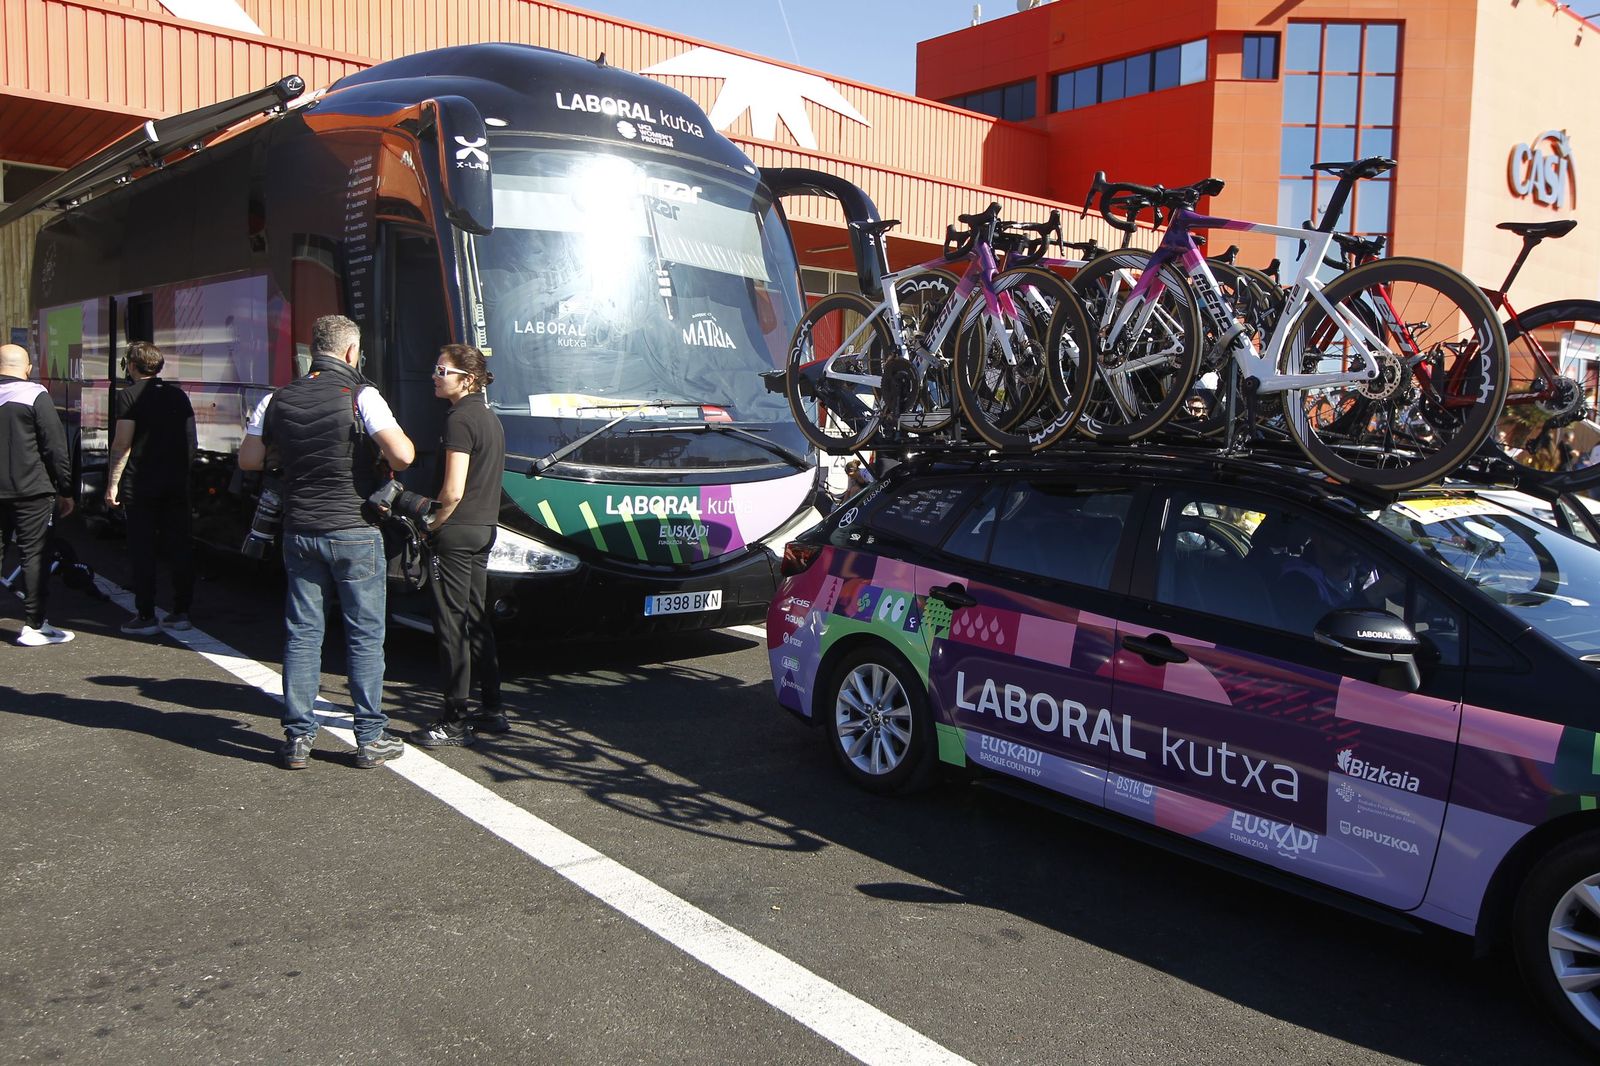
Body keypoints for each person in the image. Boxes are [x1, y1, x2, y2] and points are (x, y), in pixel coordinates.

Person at [238, 315, 416, 770]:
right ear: (351, 351)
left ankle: (298, 737)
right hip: (354, 530)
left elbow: (250, 460)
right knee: (364, 635)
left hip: (300, 530)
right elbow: (403, 455)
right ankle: (370, 738)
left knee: (303, 633)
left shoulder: (276, 399)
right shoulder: (361, 396)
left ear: (313, 351)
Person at [412, 344, 507, 748]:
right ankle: (493, 709)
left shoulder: (459, 420)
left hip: (456, 532)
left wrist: (431, 525)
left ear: (467, 379)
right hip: (484, 528)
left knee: (451, 625)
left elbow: (452, 491)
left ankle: (454, 720)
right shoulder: (489, 418)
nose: (435, 377)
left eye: (442, 371)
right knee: (477, 617)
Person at [105, 341, 197, 636]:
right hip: (176, 483)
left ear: (132, 366)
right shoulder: (178, 395)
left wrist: (113, 484)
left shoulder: (128, 396)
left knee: (142, 549)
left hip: (141, 483)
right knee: (180, 546)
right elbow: (191, 441)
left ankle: (145, 614)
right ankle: (181, 611)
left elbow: (122, 444)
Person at [0, 343, 75, 646]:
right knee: (34, 554)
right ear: (28, 368)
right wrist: (66, 489)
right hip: (32, 490)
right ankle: (34, 625)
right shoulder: (34, 394)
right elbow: (55, 447)